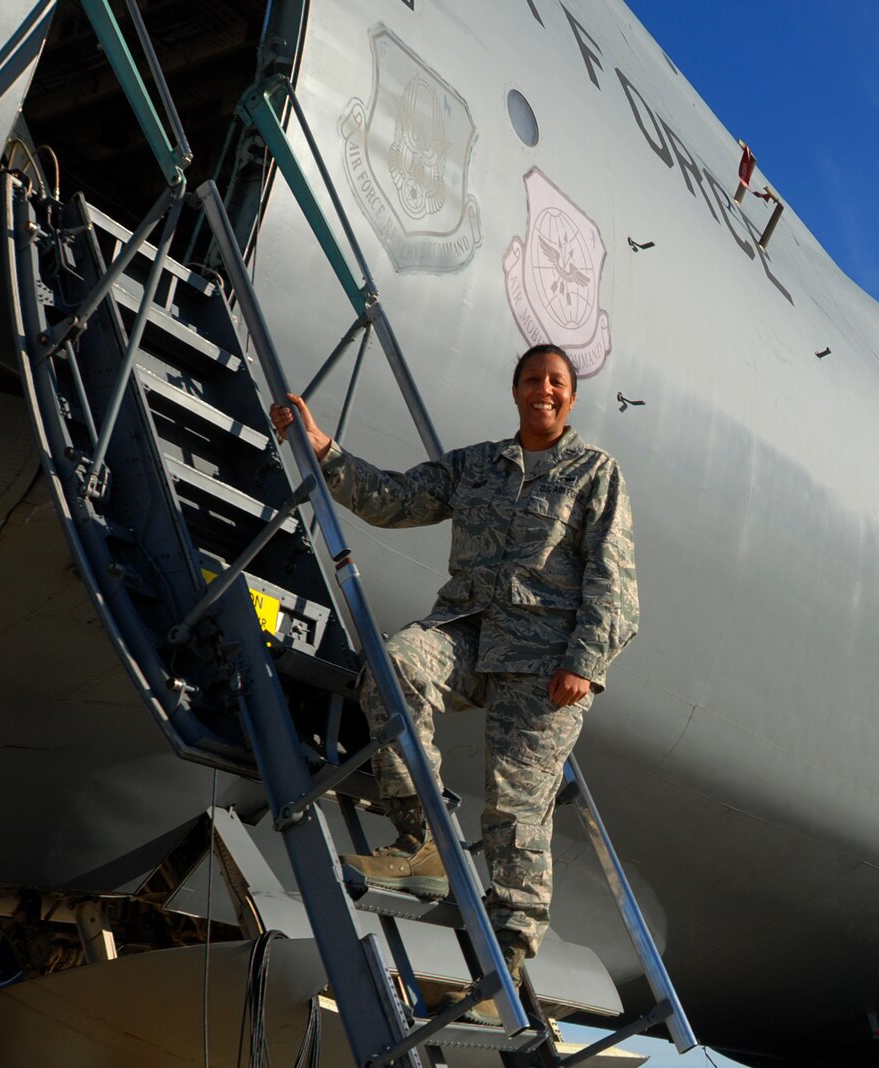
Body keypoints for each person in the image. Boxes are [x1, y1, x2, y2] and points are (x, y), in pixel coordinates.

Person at [268, 344, 637, 978]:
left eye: (556, 382)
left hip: (544, 662)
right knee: (396, 664)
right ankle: (423, 840)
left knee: (514, 806)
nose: (543, 390)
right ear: (515, 390)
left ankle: (510, 961)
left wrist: (584, 661)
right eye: (531, 380)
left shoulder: (594, 473)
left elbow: (615, 584)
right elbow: (395, 499)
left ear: (571, 398)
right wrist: (323, 448)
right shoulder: (477, 467)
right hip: (468, 633)